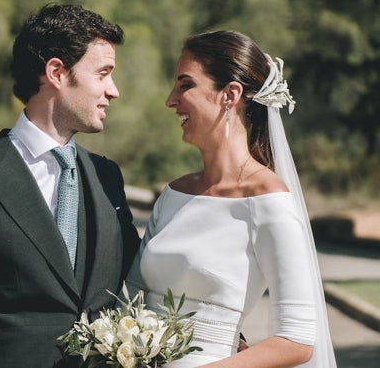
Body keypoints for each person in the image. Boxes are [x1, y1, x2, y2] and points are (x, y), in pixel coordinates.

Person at [0, 3, 140, 368]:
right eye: (102, 73)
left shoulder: (107, 177)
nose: (112, 90)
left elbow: (142, 276)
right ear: (56, 72)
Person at [126, 30, 337, 368]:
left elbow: (296, 340)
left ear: (230, 94)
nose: (170, 100)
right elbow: (130, 299)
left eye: (185, 85)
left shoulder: (268, 203)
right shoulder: (172, 195)